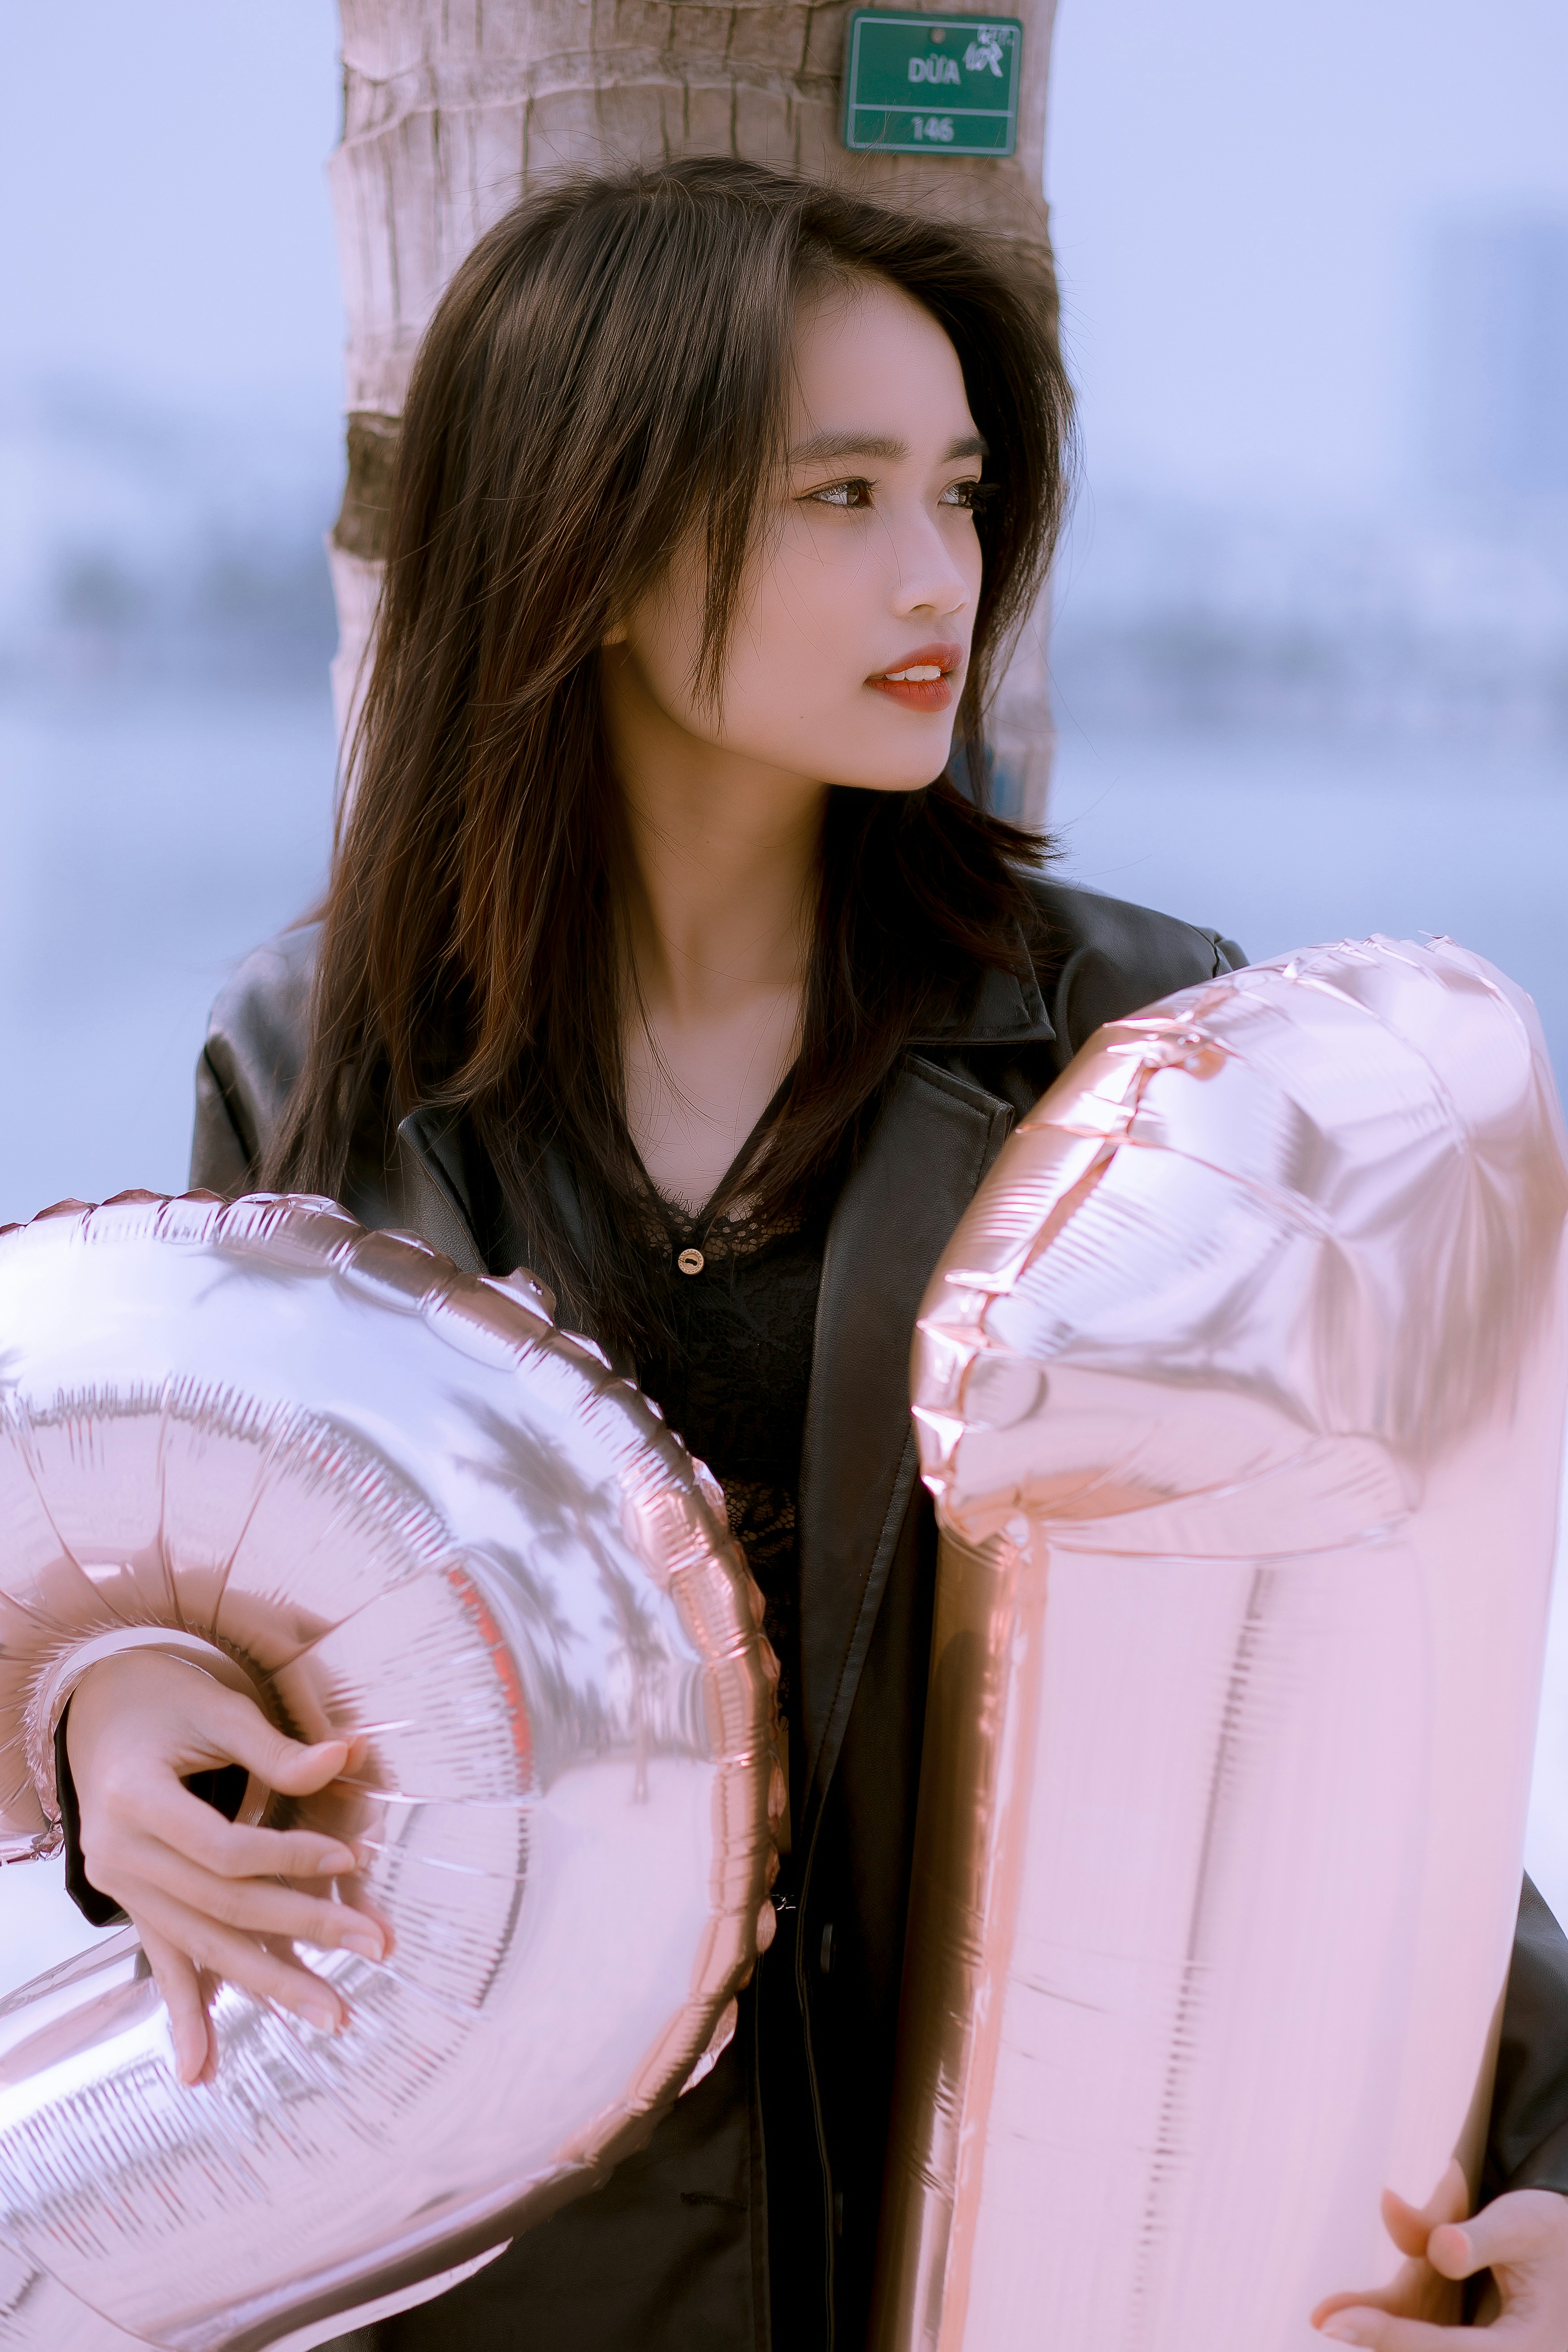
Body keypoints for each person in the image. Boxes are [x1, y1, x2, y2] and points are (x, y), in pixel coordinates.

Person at [57, 160, 1568, 2352]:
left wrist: (1557, 2149)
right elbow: (176, 1550)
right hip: (499, 2281)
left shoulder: (1135, 1059)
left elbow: (1347, 1672)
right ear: (581, 532)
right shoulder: (320, 1059)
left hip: (1025, 2259)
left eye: (958, 492)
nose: (936, 570)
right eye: (837, 495)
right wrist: (114, 1725)